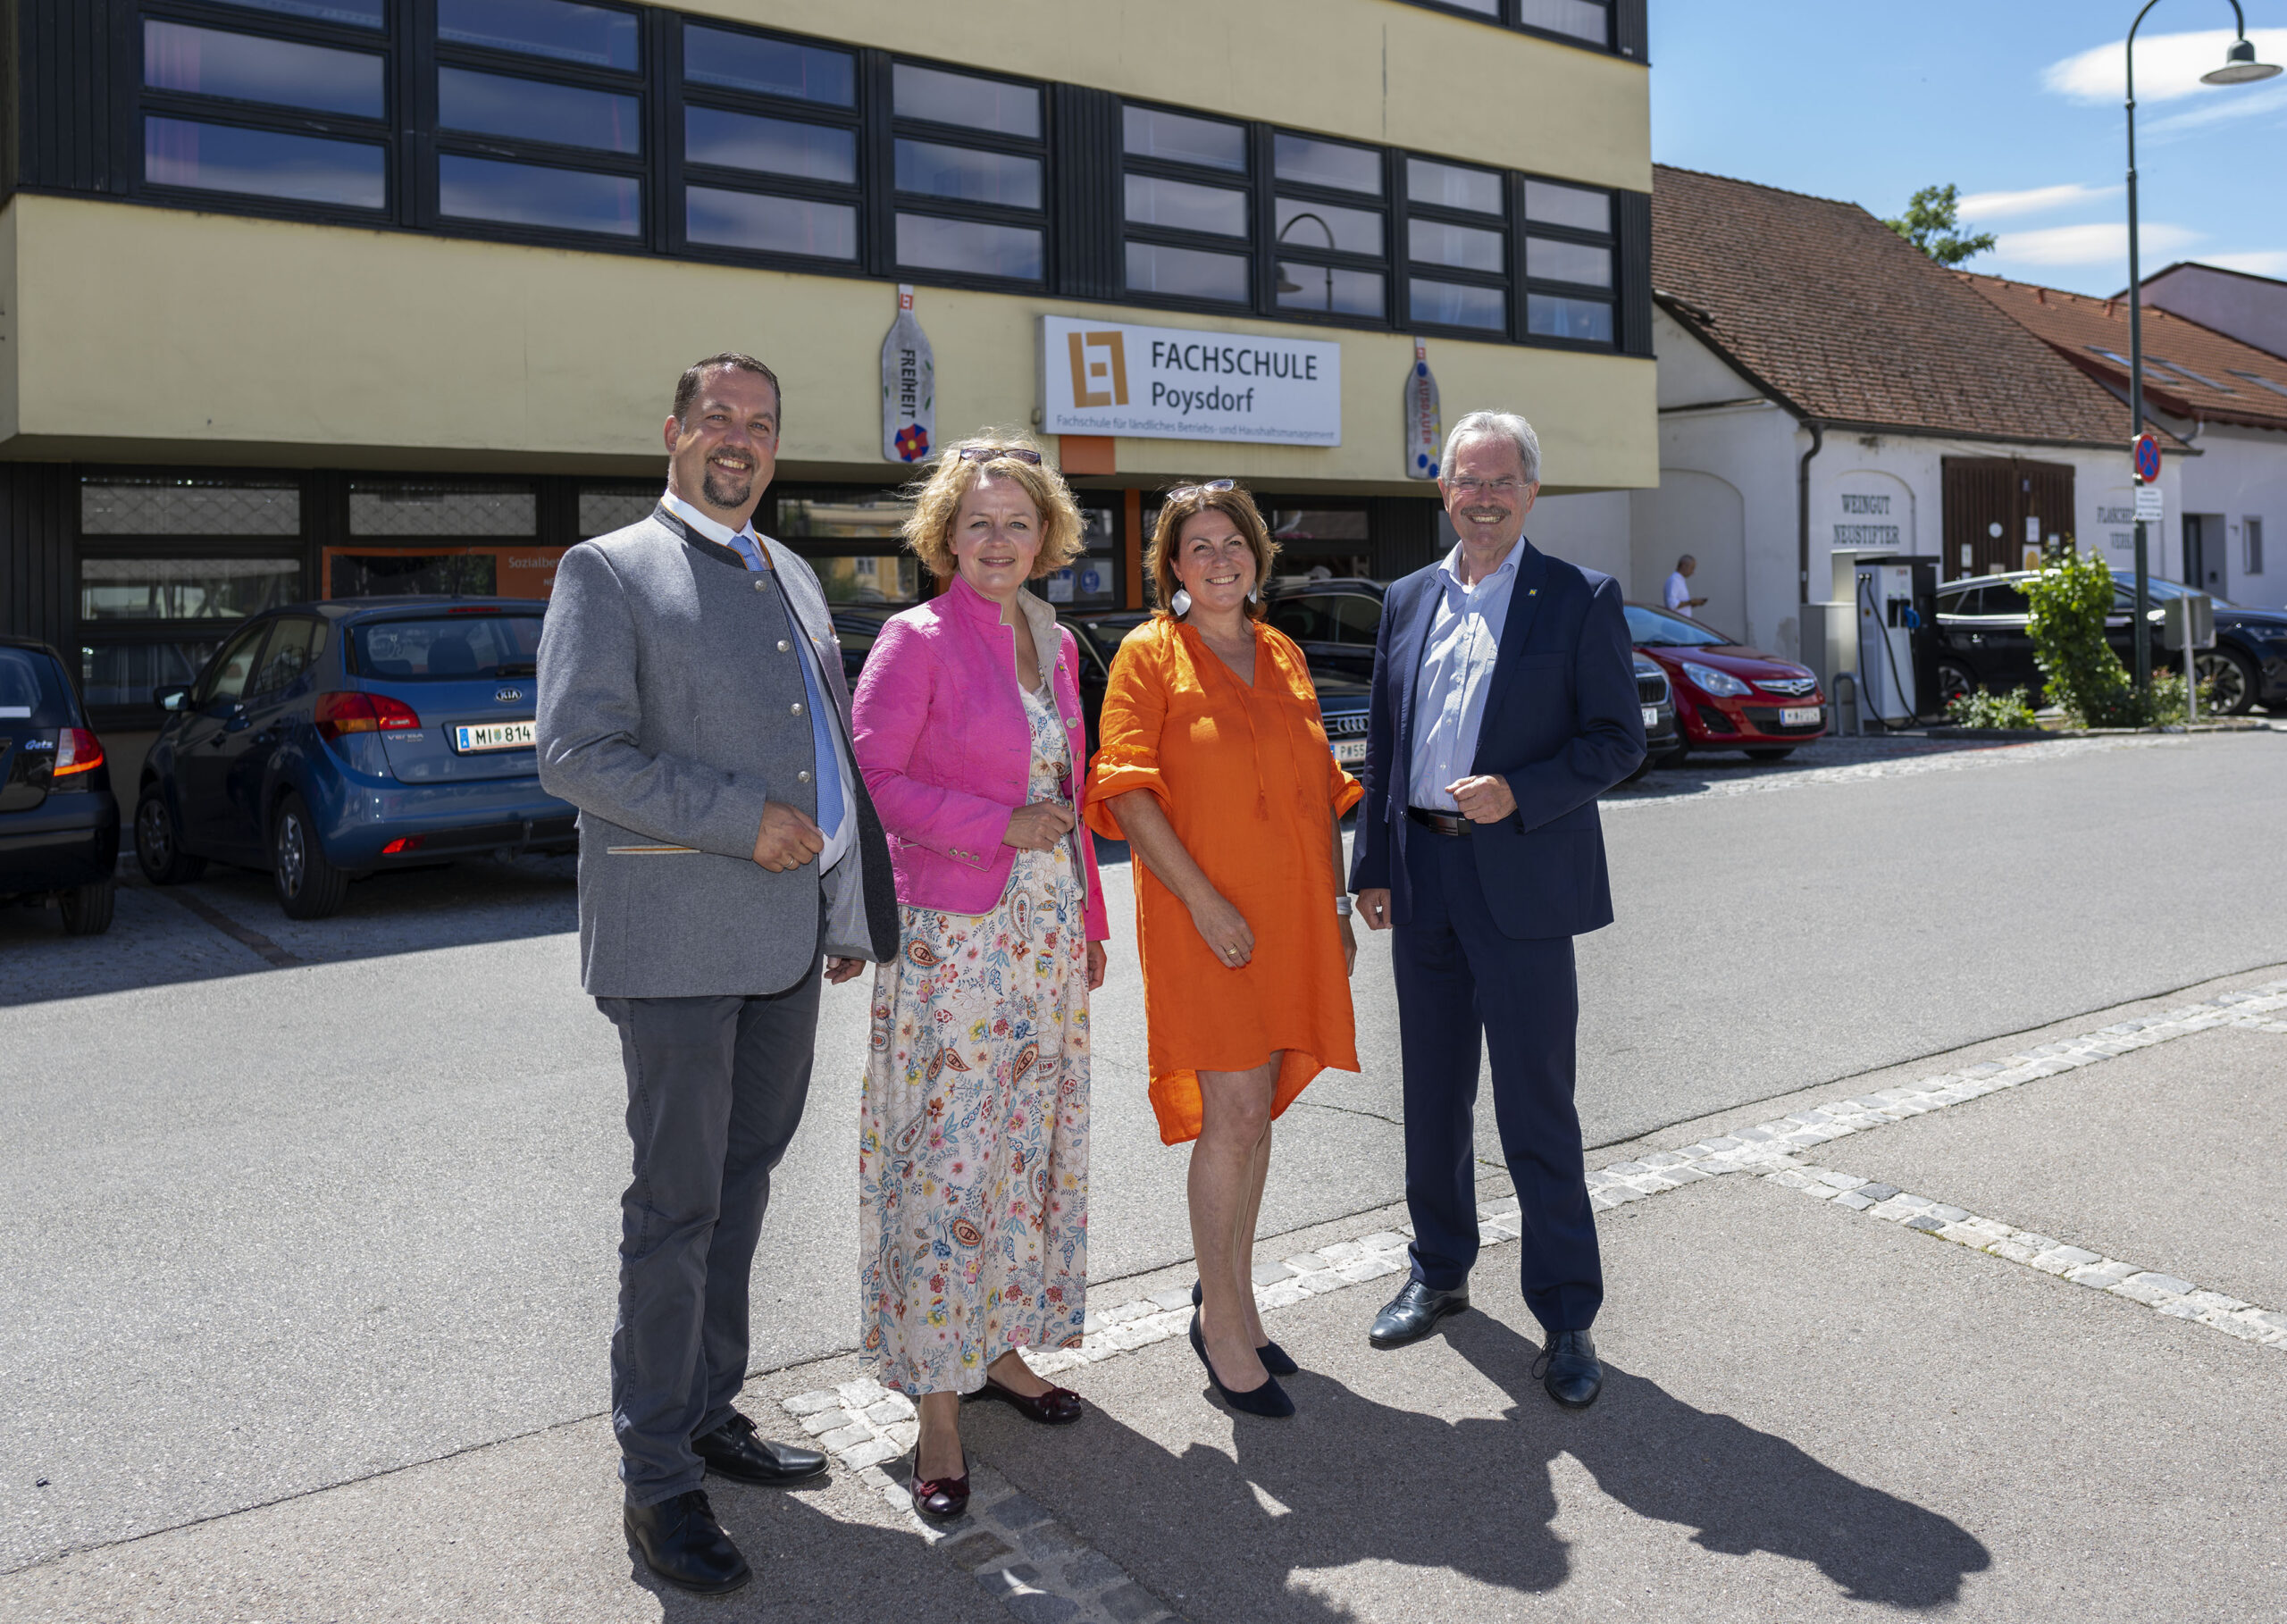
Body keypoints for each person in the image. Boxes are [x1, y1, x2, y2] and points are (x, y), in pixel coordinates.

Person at [536, 353, 899, 1596]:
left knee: (738, 1187)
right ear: (675, 431)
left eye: (759, 424)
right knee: (675, 1206)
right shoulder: (608, 569)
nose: (737, 439)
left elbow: (827, 757)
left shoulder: (788, 570)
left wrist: (842, 904)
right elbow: (576, 751)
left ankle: (705, 1409)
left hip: (786, 944)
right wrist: (736, 819)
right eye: (717, 419)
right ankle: (656, 1483)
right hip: (677, 945)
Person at [1349, 411, 1644, 1411]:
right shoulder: (1406, 598)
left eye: (1501, 480)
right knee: (1431, 1096)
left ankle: (1566, 1315)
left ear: (1531, 491)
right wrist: (1373, 869)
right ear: (1443, 491)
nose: (1481, 497)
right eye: (1465, 480)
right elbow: (1387, 747)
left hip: (1518, 877)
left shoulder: (1578, 597)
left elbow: (1616, 740)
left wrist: (1522, 789)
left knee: (1534, 1107)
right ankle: (1438, 1271)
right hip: (1422, 876)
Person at [850, 435, 1110, 1520]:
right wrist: (994, 824)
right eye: (977, 524)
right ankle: (937, 1407)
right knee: (946, 1161)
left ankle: (998, 1349)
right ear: (943, 538)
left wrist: (1091, 916)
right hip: (957, 934)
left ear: (1045, 535)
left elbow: (1073, 782)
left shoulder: (1050, 638)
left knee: (1020, 1150)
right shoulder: (912, 639)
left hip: (1043, 933)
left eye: (1016, 522)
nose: (998, 541)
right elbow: (876, 779)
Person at [1085, 480, 1361, 1420]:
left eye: (1230, 543)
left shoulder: (1281, 652)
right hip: (1206, 920)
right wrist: (1202, 901)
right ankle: (1220, 1327)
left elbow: (1323, 788)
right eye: (1195, 547)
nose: (1216, 560)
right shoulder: (1148, 654)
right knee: (1233, 1113)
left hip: (1290, 919)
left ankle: (1231, 1296)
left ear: (1256, 556)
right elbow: (1124, 791)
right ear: (1170, 566)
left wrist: (1332, 907)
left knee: (1257, 1112)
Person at [1664, 553, 1706, 617]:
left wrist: (1693, 604)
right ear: (1684, 566)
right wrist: (1691, 602)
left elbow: (1679, 606)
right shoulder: (1674, 580)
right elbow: (1672, 605)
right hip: (1675, 622)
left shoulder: (1680, 580)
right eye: (1692, 568)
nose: (1693, 572)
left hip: (1679, 622)